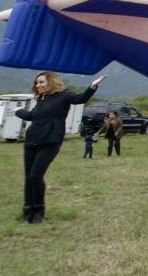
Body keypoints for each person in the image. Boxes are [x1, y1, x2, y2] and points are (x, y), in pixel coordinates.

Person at [14, 71, 104, 223]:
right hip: (31, 142)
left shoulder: (64, 95)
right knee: (28, 178)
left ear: (51, 81)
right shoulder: (41, 99)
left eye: (41, 82)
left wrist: (92, 87)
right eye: (37, 83)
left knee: (36, 176)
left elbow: (80, 98)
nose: (38, 85)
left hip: (50, 141)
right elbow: (32, 116)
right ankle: (27, 211)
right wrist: (18, 112)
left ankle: (38, 212)